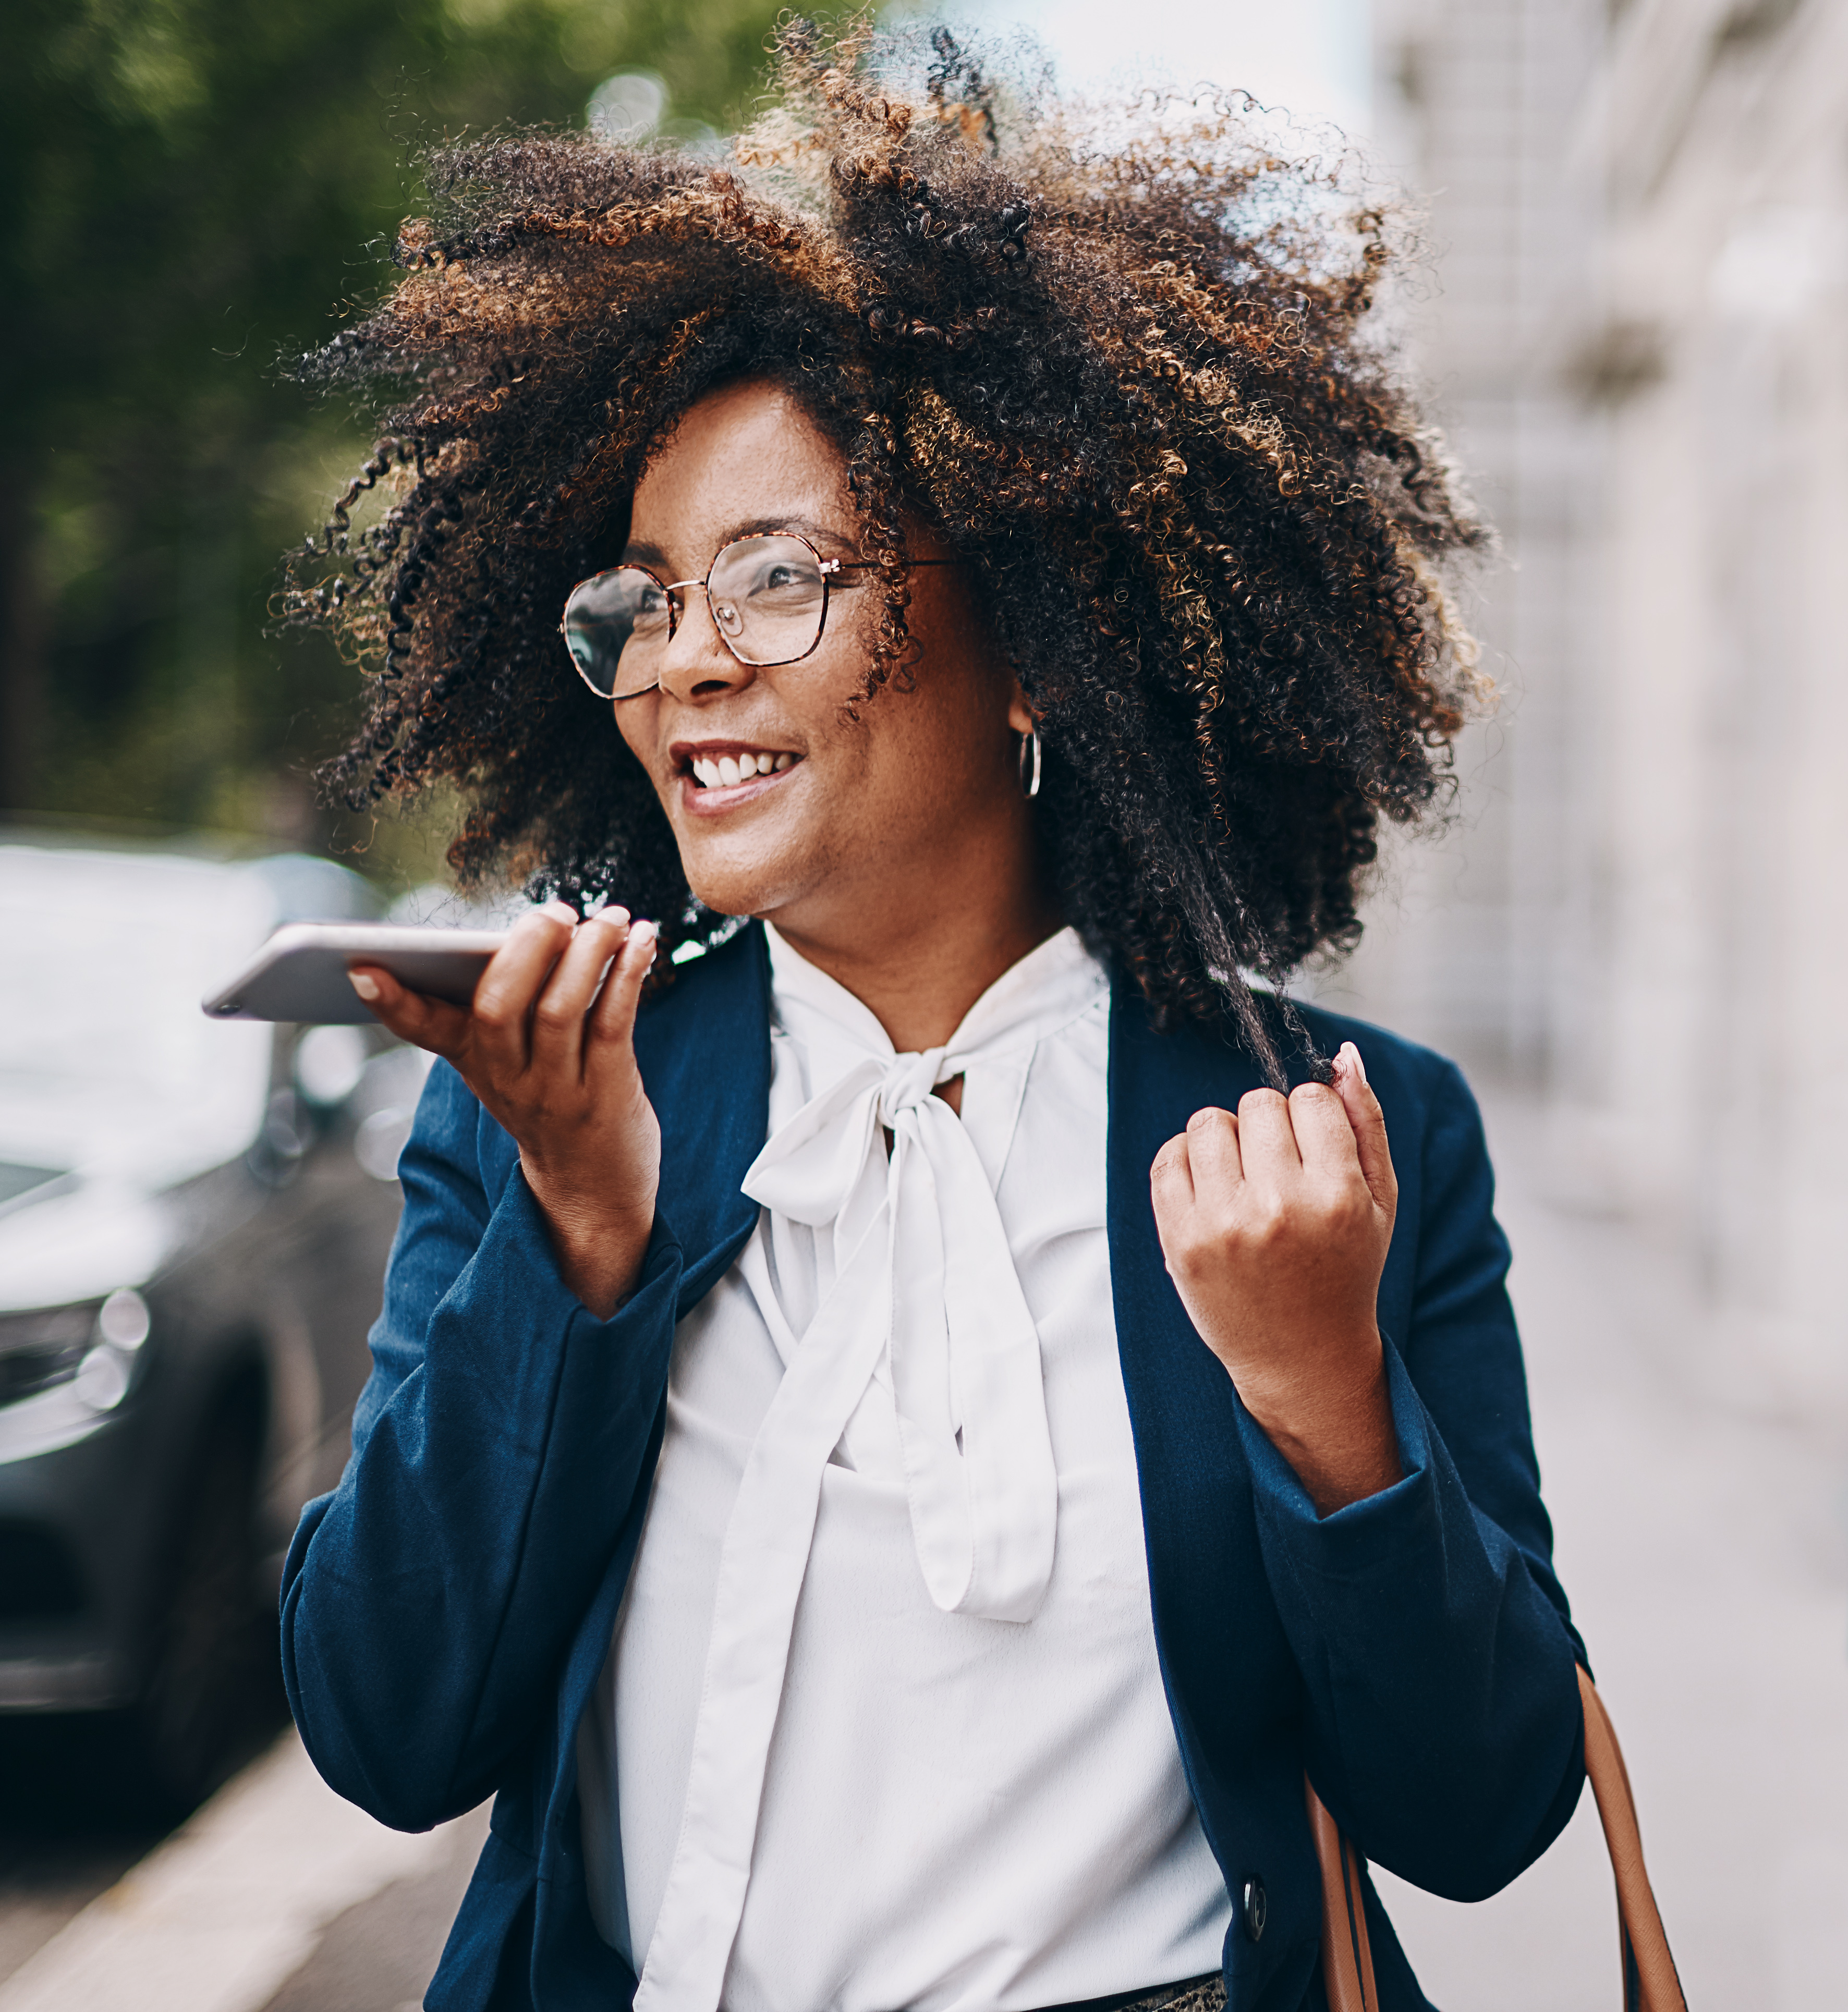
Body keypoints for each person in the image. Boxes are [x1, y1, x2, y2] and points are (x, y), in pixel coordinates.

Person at [279, 26, 1586, 2012]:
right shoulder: (553, 1108)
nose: (685, 664)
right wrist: (578, 1246)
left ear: (1039, 656)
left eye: (776, 580)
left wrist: (1330, 1398)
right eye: (642, 602)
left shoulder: (1337, 1136)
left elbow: (1482, 1806)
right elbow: (388, 1726)